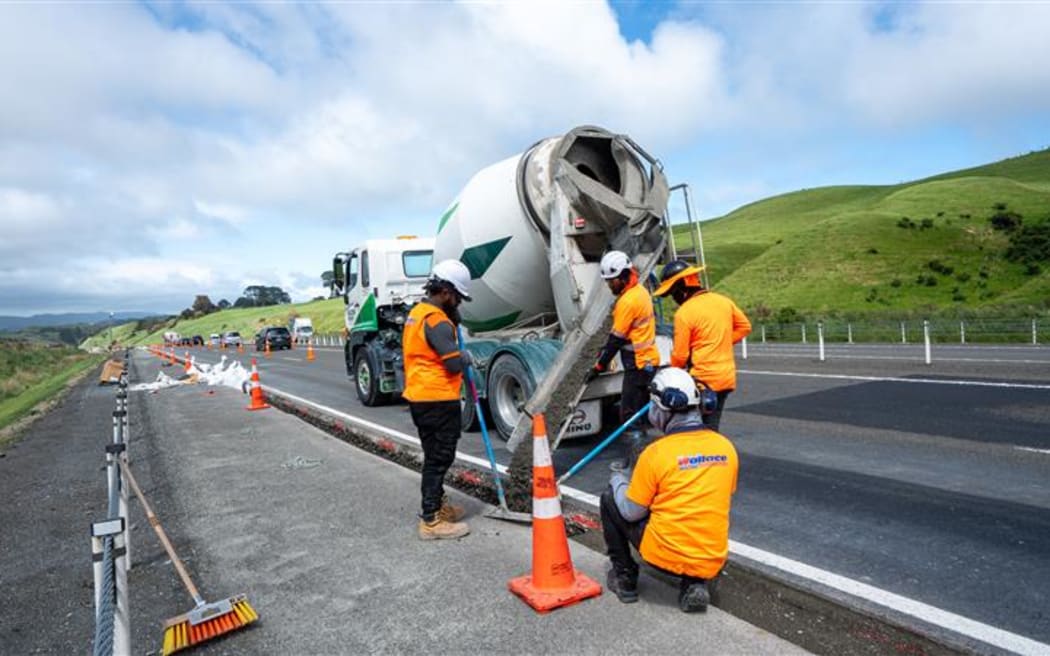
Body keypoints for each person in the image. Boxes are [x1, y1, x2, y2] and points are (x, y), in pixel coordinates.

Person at [599, 367, 739, 612]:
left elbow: (631, 513)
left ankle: (625, 578)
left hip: (663, 556)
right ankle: (694, 583)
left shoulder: (656, 453)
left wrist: (618, 479)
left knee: (610, 497)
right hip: (711, 558)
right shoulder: (726, 447)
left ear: (660, 409)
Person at [402, 259, 474, 540]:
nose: (459, 302)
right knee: (439, 458)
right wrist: (466, 356)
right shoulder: (437, 321)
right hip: (437, 399)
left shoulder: (417, 313)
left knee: (434, 455)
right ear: (445, 292)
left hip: (421, 396)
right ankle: (431, 520)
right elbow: (453, 364)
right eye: (457, 297)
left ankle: (439, 508)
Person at [652, 260, 751, 431]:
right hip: (725, 378)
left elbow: (680, 356)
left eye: (673, 293)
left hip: (702, 381)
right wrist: (718, 343)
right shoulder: (723, 301)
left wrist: (671, 377)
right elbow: (745, 327)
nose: (674, 299)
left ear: (682, 288)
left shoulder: (685, 313)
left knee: (695, 428)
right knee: (712, 424)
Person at [590, 251, 660, 468]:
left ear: (622, 276)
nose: (609, 285)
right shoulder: (641, 292)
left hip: (637, 364)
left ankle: (635, 466)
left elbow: (615, 340)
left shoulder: (627, 302)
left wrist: (599, 366)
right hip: (648, 361)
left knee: (629, 417)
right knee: (640, 415)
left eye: (611, 281)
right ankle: (644, 460)